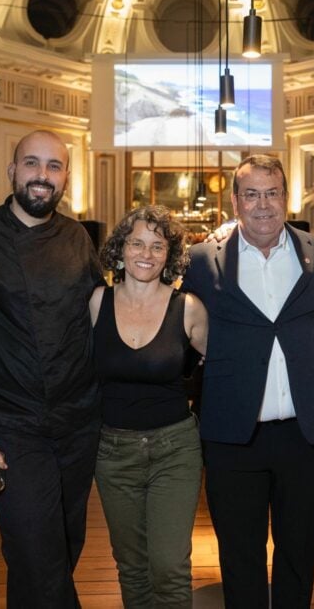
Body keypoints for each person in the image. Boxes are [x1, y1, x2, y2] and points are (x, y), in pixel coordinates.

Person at [181, 153, 314, 608]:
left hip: (305, 433)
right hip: (233, 434)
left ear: (286, 198)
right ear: (235, 202)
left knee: (298, 553)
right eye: (251, 195)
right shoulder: (200, 260)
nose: (263, 205)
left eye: (272, 193)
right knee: (239, 555)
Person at [0, 129, 103, 608]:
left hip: (78, 421)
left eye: (54, 166)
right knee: (37, 553)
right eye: (32, 164)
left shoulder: (78, 237)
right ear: (12, 171)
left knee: (59, 549)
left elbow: (98, 319)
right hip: (11, 426)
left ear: (65, 178)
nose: (42, 175)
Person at [90, 205, 208, 607]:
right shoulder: (96, 302)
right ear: (120, 249)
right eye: (137, 242)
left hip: (175, 450)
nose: (146, 253)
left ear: (169, 255)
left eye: (158, 246)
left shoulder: (188, 308)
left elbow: (223, 373)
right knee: (131, 565)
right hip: (112, 452)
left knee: (170, 566)